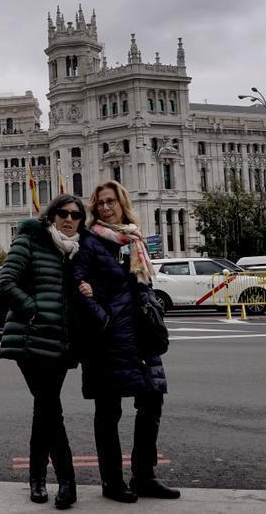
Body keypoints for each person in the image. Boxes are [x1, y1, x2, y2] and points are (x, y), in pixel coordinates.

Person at [72, 180, 180, 503]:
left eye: (110, 202)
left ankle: (144, 475)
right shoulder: (89, 242)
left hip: (140, 339)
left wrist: (152, 307)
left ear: (122, 204)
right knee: (109, 411)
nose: (105, 207)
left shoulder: (133, 240)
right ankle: (112, 482)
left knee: (152, 401)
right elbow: (77, 287)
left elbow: (142, 285)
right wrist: (103, 318)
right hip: (106, 340)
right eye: (100, 203)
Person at [0, 193, 88, 510]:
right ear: (51, 215)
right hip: (30, 340)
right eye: (62, 213)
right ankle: (67, 480)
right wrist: (33, 312)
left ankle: (36, 479)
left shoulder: (78, 251)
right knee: (51, 409)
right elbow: (6, 282)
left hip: (61, 344)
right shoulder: (32, 239)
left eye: (75, 215)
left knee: (44, 410)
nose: (68, 219)